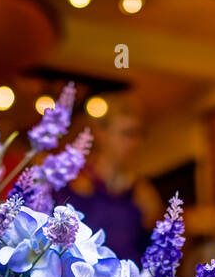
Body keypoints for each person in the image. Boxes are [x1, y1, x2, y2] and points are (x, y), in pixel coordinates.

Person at [64, 93, 164, 263]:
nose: (134, 143)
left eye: (139, 134)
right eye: (127, 134)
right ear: (101, 134)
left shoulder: (144, 192)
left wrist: (155, 219)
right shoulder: (75, 182)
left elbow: (154, 253)